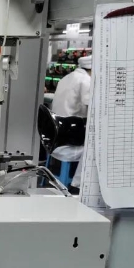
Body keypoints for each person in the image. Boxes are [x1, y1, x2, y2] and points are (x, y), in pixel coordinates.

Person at [50, 55, 92, 188]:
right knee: (96, 144)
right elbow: (92, 108)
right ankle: (79, 185)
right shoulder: (86, 81)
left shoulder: (67, 77)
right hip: (70, 137)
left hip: (55, 134)